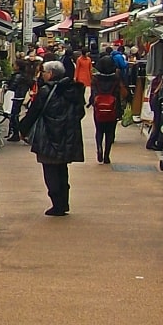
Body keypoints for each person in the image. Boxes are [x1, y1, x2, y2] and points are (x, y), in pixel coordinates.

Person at [26, 58, 85, 215]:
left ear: (51, 74)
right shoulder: (74, 90)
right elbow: (80, 113)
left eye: (44, 72)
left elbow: (34, 112)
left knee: (50, 171)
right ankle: (63, 202)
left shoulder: (46, 91)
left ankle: (57, 204)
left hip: (48, 137)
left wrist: (22, 129)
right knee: (62, 170)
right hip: (68, 137)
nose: (42, 75)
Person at [90, 55, 123, 164]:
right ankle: (107, 155)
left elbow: (93, 94)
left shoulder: (95, 79)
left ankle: (99, 147)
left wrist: (92, 102)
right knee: (110, 132)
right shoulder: (116, 79)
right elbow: (118, 94)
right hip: (112, 107)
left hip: (99, 107)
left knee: (99, 130)